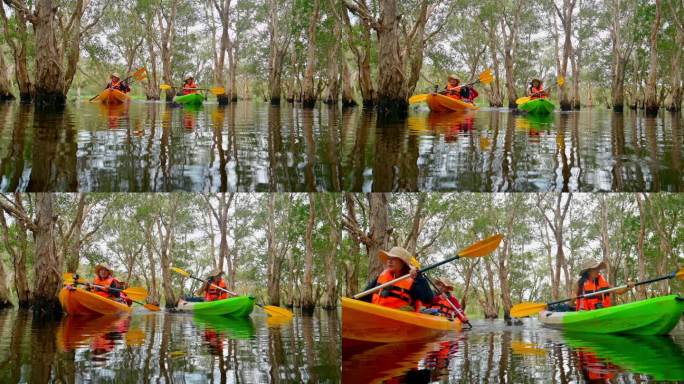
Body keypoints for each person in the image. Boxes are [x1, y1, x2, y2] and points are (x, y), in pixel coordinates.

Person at [361, 246, 433, 311]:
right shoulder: (381, 277)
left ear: (402, 263)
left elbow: (428, 299)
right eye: (389, 258)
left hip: (396, 321)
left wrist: (419, 276)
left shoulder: (414, 281)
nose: (389, 261)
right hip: (376, 315)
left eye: (394, 259)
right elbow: (364, 296)